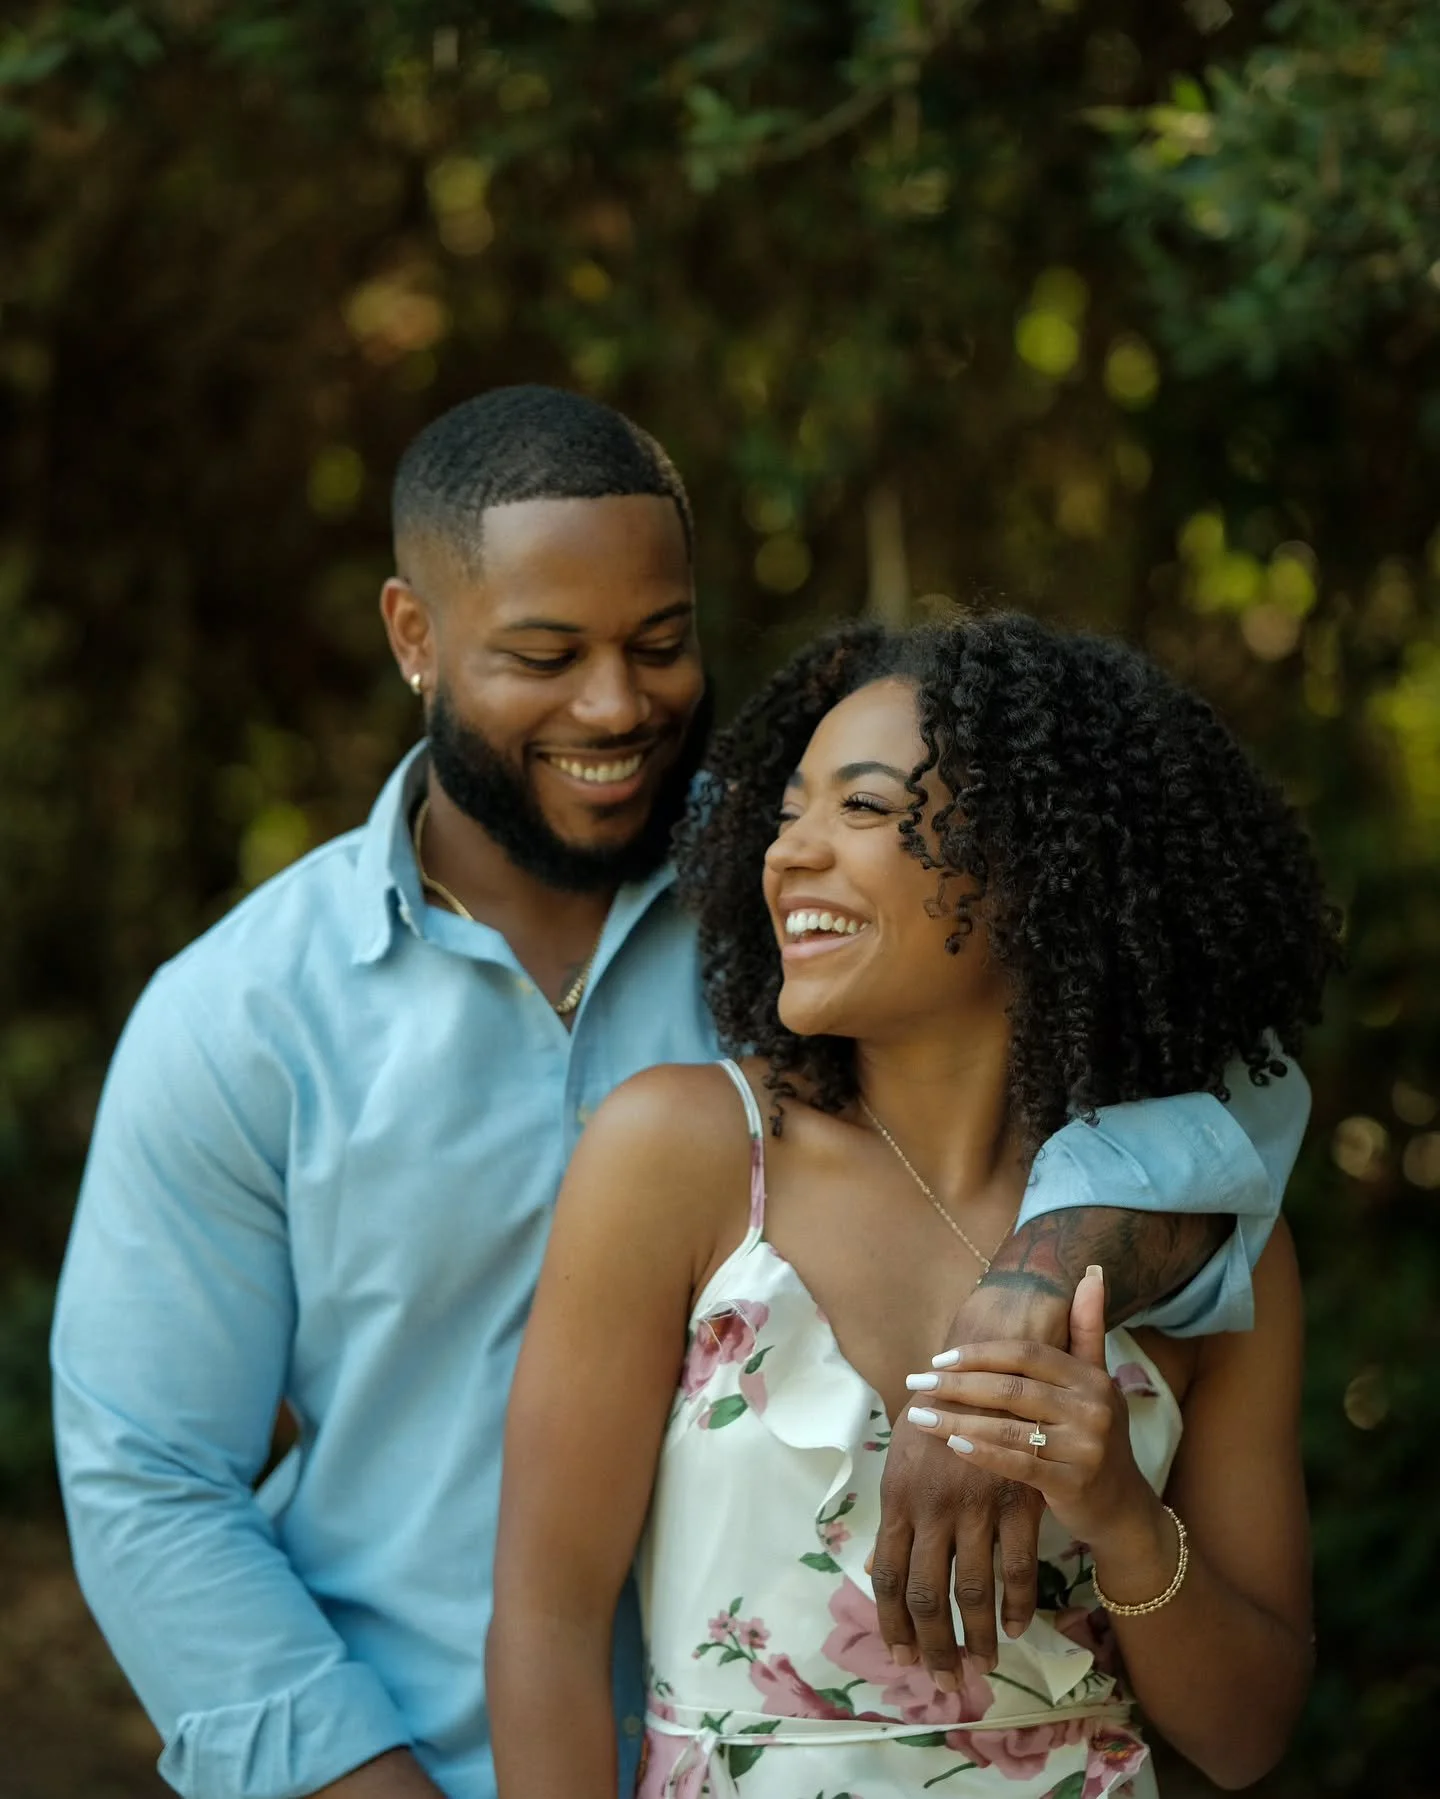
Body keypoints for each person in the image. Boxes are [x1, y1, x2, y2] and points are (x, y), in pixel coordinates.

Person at [53, 388, 1309, 1799]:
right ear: (415, 636)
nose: (616, 703)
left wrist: (1034, 1277)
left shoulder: (813, 917)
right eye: (546, 652)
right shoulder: (240, 1016)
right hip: (403, 1748)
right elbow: (149, 1479)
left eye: (660, 643)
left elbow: (1229, 1110)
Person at [488, 616, 1340, 1798]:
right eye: (789, 813)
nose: (792, 853)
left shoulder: (1205, 1246)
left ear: (1042, 857)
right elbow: (547, 1627)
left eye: (865, 808)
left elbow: (1246, 1735)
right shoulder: (680, 1153)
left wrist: (1119, 1511)